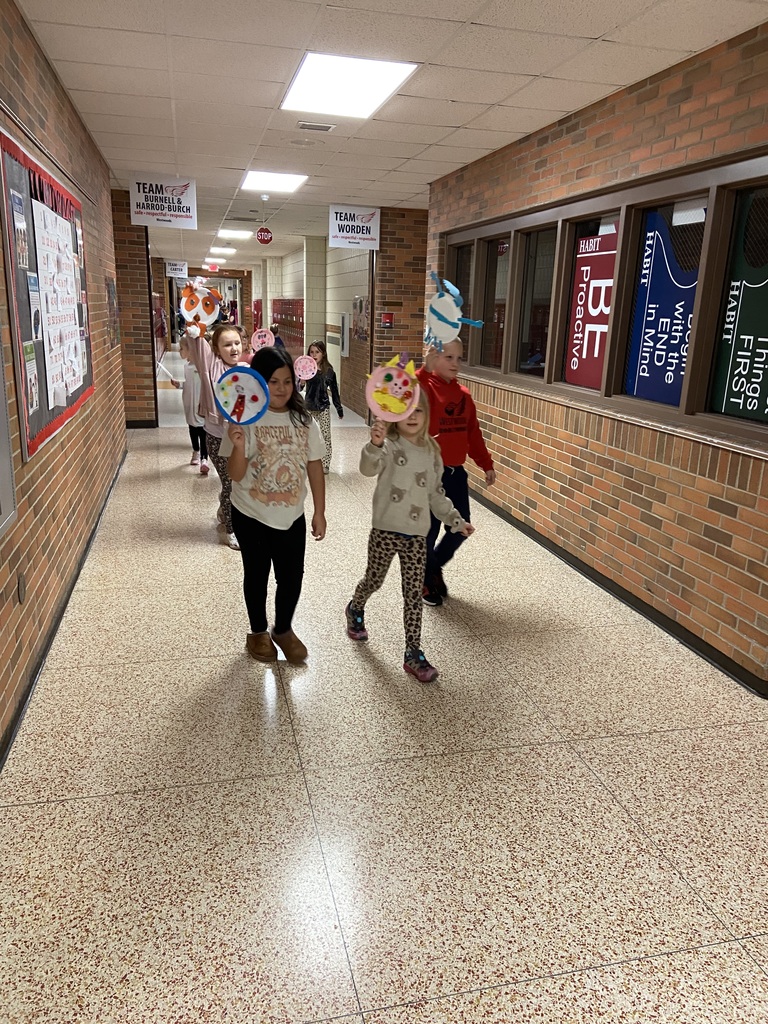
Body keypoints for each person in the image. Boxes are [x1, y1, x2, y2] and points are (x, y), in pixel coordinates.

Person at [345, 390, 474, 682]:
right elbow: (366, 469)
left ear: (427, 415)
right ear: (395, 415)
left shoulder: (432, 451)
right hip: (385, 530)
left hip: (416, 535)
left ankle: (413, 652)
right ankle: (355, 607)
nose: (412, 416)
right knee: (374, 580)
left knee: (413, 594)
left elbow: (436, 495)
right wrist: (374, 444)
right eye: (406, 411)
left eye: (418, 410)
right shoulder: (389, 445)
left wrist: (455, 520)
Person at [221, 346, 326, 664]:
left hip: (291, 514)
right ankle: (258, 632)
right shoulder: (244, 418)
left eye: (287, 381)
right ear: (258, 382)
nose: (281, 388)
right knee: (256, 575)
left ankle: (282, 629)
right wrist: (238, 445)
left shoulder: (304, 420)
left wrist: (320, 511)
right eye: (273, 381)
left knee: (292, 577)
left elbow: (314, 466)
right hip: (250, 513)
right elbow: (235, 475)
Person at [416, 339, 495, 606]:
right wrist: (424, 371)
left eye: (459, 358)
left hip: (455, 474)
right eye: (448, 357)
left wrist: (486, 463)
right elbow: (409, 396)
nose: (455, 363)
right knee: (427, 531)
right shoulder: (424, 388)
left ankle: (432, 567)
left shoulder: (463, 395)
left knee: (460, 527)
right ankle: (425, 581)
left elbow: (473, 433)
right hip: (428, 474)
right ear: (433, 357)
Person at [184, 322, 249, 549]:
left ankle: (224, 508)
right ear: (216, 349)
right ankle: (231, 530)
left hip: (239, 437)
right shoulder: (210, 365)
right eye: (227, 344)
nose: (234, 348)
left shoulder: (246, 370)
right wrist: (194, 329)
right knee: (230, 483)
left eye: (237, 343)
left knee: (237, 482)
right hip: (217, 436)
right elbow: (197, 344)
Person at [302, 339, 343, 474]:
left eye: (317, 352)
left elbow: (335, 391)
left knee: (326, 436)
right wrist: (301, 382)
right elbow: (299, 388)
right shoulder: (306, 368)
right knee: (307, 435)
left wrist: (339, 409)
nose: (314, 355)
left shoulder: (329, 371)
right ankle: (307, 461)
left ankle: (325, 464)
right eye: (312, 352)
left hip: (323, 407)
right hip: (309, 406)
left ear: (323, 354)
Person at [171, 338, 209, 474]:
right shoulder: (187, 367)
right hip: (189, 404)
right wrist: (179, 384)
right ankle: (196, 452)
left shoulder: (203, 368)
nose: (179, 351)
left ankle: (205, 458)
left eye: (182, 348)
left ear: (192, 350)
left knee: (203, 432)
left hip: (200, 405)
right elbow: (188, 384)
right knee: (192, 429)